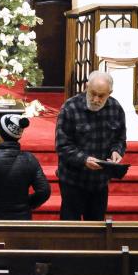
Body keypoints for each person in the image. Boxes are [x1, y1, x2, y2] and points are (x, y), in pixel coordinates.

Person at [55, 71, 126, 221]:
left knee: (96, 228)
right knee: (70, 227)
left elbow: (120, 138)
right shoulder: (70, 107)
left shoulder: (115, 108)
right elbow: (62, 146)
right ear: (86, 86)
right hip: (73, 179)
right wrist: (84, 159)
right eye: (92, 93)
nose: (96, 99)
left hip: (100, 182)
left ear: (110, 93)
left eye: (102, 96)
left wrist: (116, 151)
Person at [0, 114, 51, 220]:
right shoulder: (30, 159)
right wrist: (27, 205)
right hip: (22, 221)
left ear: (1, 134)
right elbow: (44, 191)